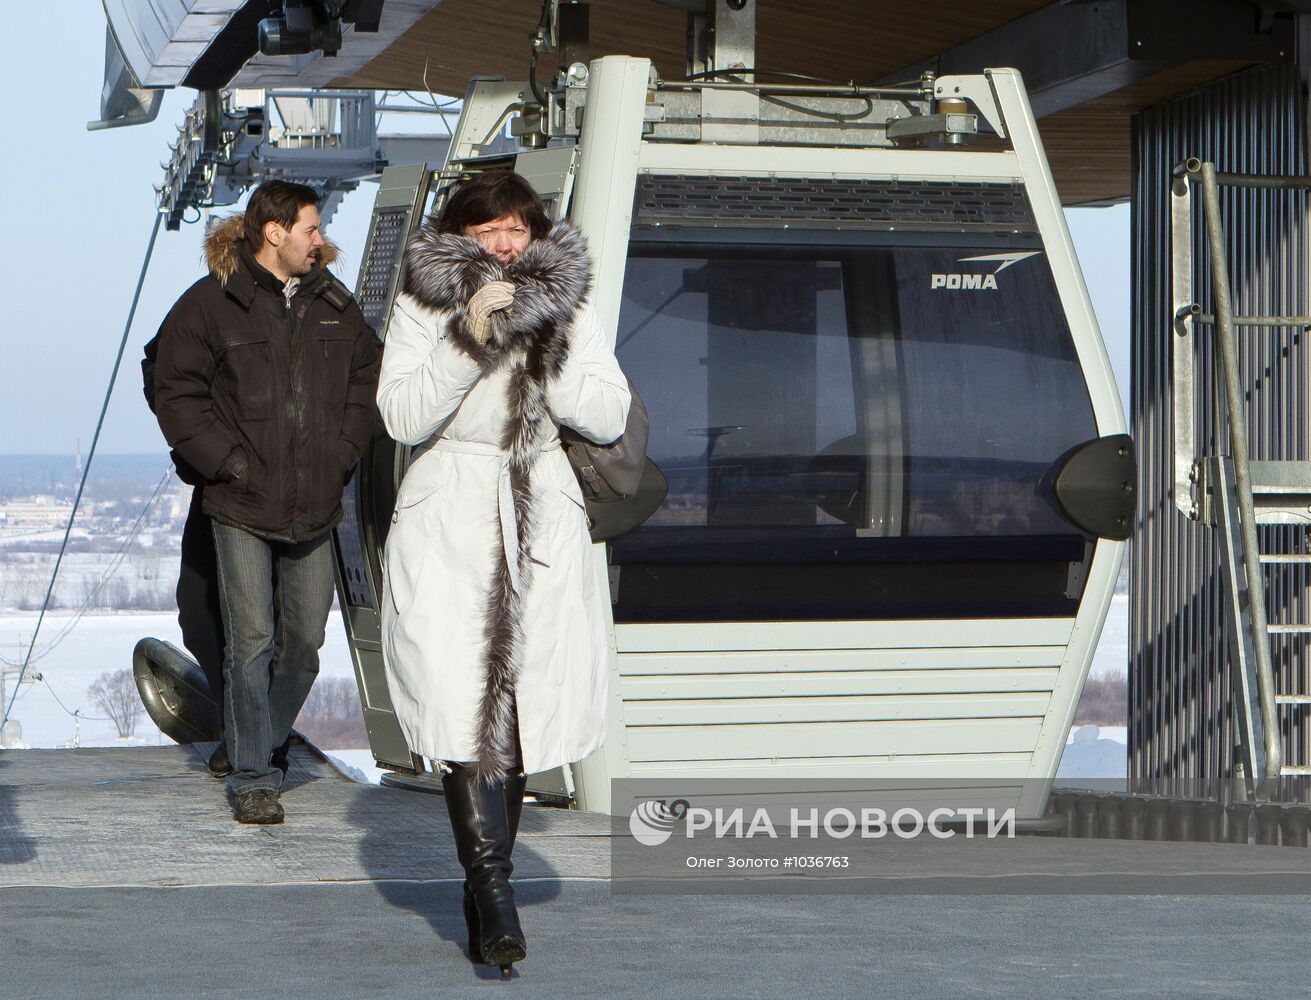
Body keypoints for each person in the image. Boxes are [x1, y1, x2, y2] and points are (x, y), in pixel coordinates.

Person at [377, 171, 630, 976]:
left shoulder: (570, 303)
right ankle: (495, 897)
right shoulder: (424, 303)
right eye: (490, 229)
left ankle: (489, 893)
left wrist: (541, 348)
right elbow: (402, 416)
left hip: (541, 514)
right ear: (460, 234)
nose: (506, 242)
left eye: (517, 228)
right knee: (460, 702)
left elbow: (610, 412)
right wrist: (469, 342)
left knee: (515, 709)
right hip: (451, 512)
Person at [151, 181, 380, 823]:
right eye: (311, 228)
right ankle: (254, 776)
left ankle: (253, 740)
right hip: (240, 502)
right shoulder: (211, 304)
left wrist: (343, 450)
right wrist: (225, 462)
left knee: (303, 643)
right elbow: (172, 385)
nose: (321, 239)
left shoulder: (335, 304)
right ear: (273, 232)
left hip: (315, 500)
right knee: (249, 640)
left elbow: (368, 376)